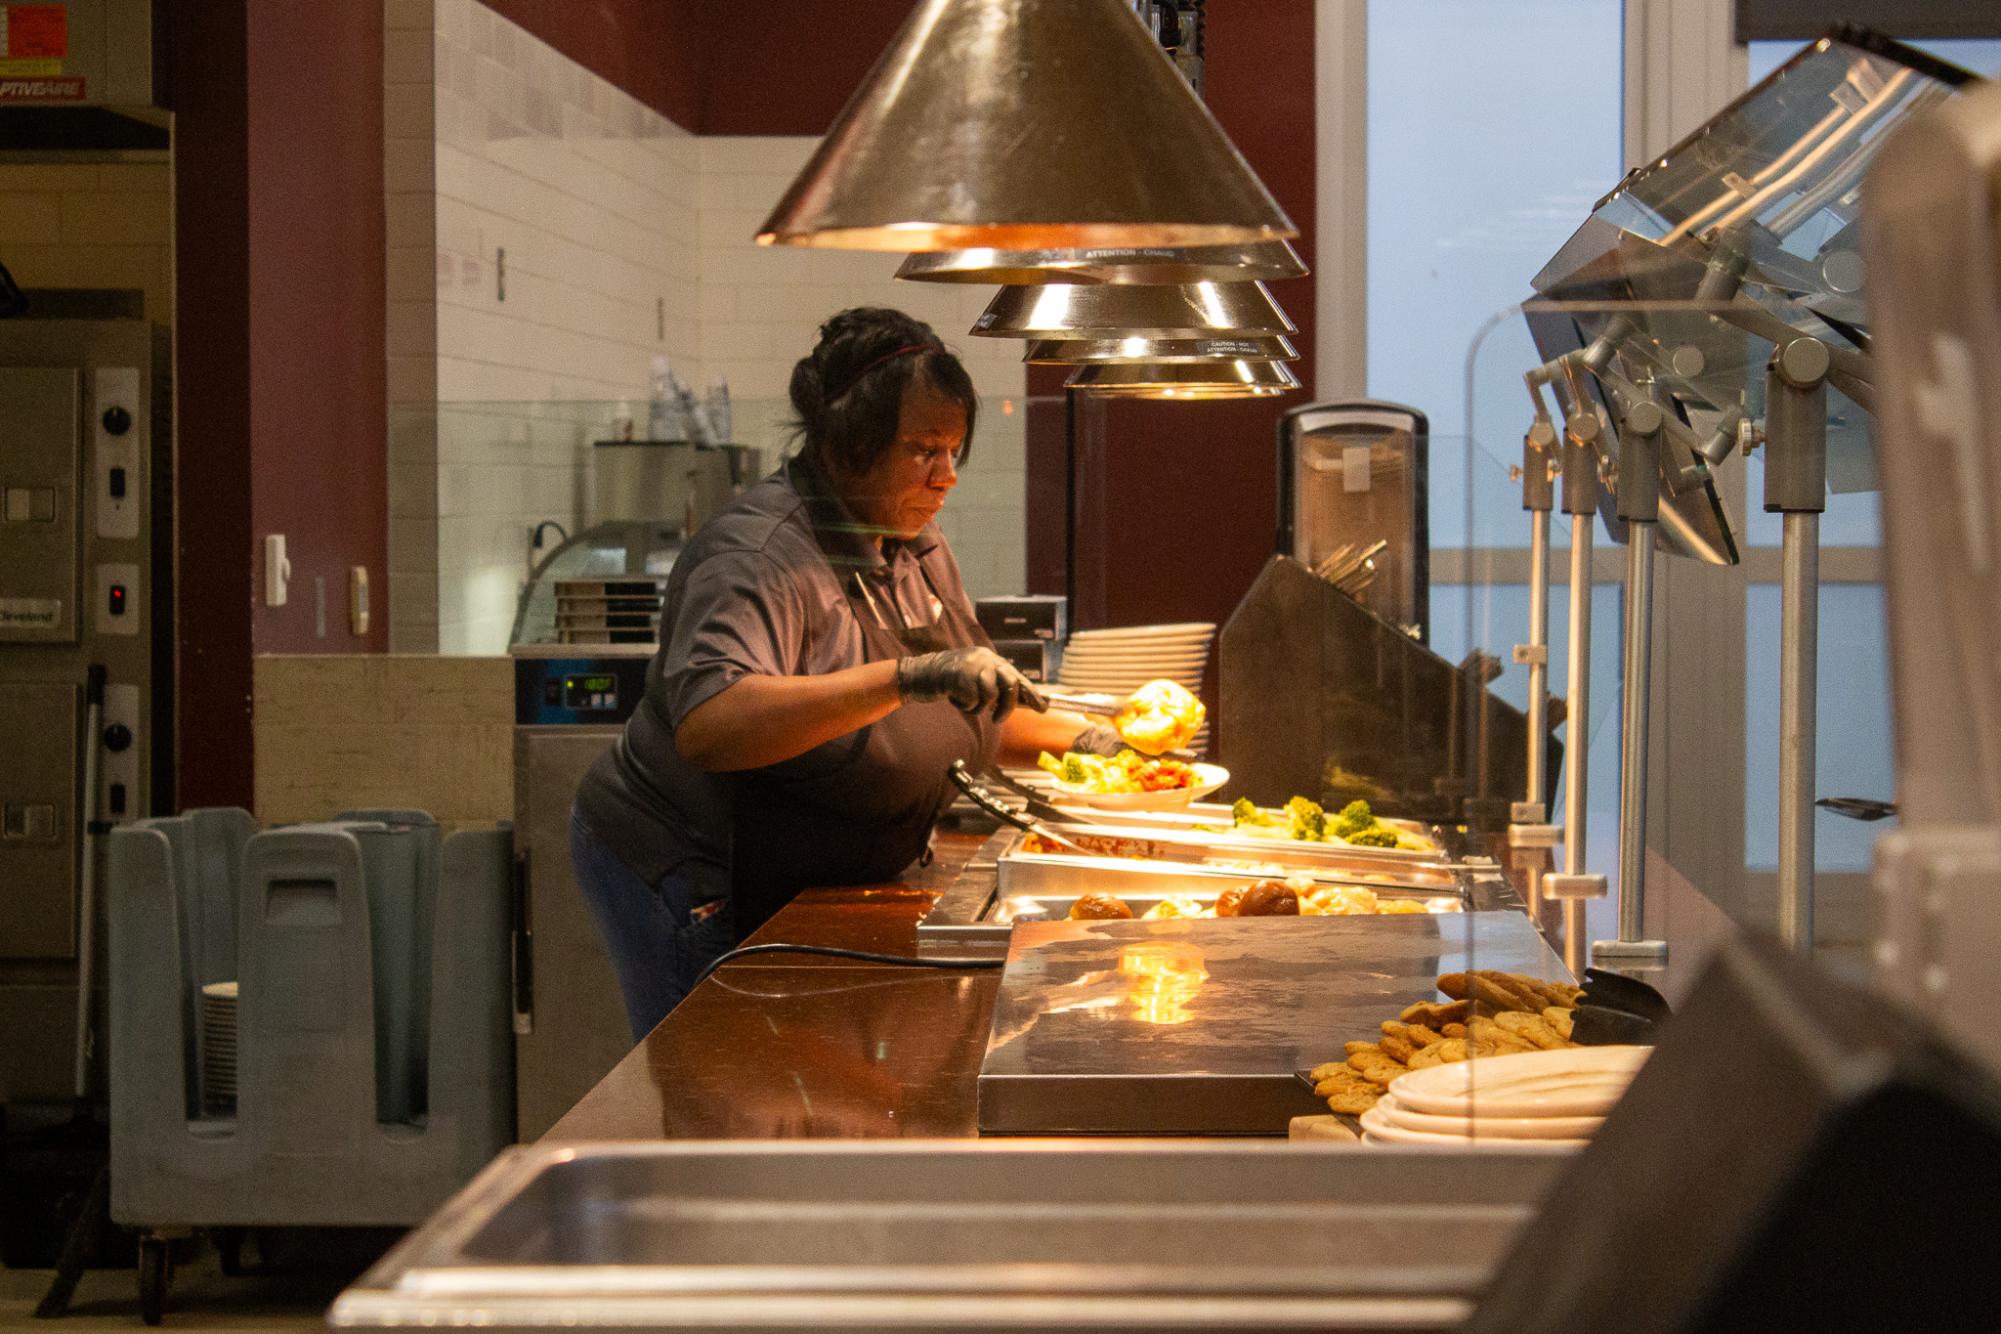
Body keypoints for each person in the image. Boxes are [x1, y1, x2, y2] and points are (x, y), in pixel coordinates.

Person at [570, 307, 1106, 1040]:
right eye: (923, 450)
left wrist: (1098, 746)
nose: (945, 476)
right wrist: (902, 677)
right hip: (702, 865)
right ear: (848, 445)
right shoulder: (757, 555)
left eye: (953, 451)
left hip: (831, 861)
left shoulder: (911, 539)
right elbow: (713, 724)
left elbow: (972, 702)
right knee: (714, 1073)